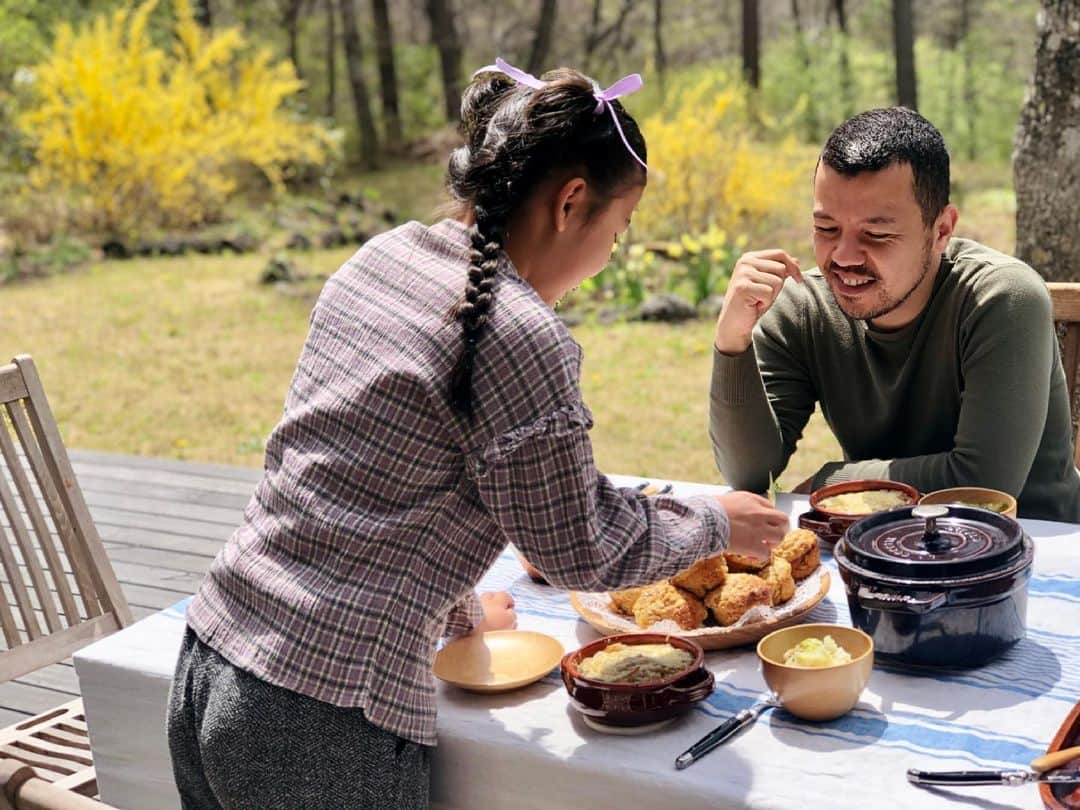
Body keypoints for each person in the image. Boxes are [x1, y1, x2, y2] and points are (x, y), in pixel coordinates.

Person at [167, 58, 788, 810]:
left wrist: (457, 610)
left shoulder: (382, 257)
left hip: (212, 660)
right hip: (319, 719)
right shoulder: (518, 333)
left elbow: (366, 486)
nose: (612, 252)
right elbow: (578, 546)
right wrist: (716, 521)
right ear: (571, 204)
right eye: (619, 228)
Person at [709, 106, 1080, 522]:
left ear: (941, 230)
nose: (844, 257)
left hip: (1039, 549)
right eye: (827, 229)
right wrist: (731, 344)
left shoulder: (1002, 297)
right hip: (883, 545)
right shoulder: (803, 306)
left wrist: (833, 480)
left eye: (877, 235)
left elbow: (982, 484)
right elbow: (750, 474)